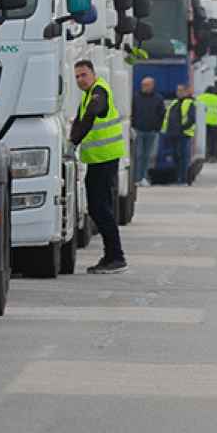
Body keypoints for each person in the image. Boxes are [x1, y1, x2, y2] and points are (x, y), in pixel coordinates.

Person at [70, 60, 127, 273]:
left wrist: (73, 142)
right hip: (97, 159)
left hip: (105, 159)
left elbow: (93, 113)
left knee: (100, 207)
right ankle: (112, 255)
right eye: (76, 76)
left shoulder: (99, 91)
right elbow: (80, 119)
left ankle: (116, 257)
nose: (80, 80)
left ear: (93, 74)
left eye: (83, 75)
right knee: (98, 207)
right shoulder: (87, 94)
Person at [159, 84, 197, 184]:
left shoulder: (190, 103)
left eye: (181, 91)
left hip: (183, 134)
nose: (178, 92)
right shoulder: (174, 102)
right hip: (172, 134)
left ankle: (183, 178)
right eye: (177, 90)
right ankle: (178, 177)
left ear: (186, 91)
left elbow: (191, 119)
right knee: (176, 157)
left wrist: (182, 128)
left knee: (183, 157)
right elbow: (167, 117)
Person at [129, 76, 163, 185]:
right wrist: (133, 125)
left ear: (152, 86)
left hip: (151, 131)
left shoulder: (158, 98)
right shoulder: (136, 97)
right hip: (138, 130)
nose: (144, 87)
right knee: (138, 155)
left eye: (147, 85)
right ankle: (137, 178)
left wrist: (157, 127)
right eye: (143, 85)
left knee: (147, 156)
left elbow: (161, 114)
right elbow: (132, 112)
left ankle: (144, 177)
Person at [199, 82, 217, 162]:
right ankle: (213, 156)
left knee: (206, 140)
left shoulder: (200, 97)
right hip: (214, 123)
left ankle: (205, 156)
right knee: (214, 141)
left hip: (203, 123)